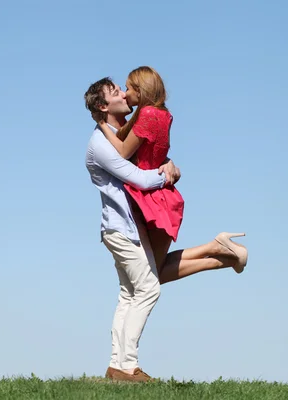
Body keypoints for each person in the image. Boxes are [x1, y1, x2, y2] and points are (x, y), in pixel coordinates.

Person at [84, 76, 248, 382]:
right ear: (104, 106)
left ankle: (117, 364)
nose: (123, 92)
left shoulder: (118, 133)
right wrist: (169, 174)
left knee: (130, 293)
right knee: (149, 288)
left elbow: (146, 157)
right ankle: (127, 366)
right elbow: (142, 178)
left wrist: (169, 163)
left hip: (130, 225)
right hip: (121, 227)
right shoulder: (101, 143)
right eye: (116, 91)